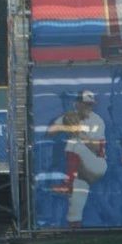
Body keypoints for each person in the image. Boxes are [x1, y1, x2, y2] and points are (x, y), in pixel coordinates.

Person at [48, 90, 107, 228]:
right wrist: (63, 125)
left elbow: (97, 148)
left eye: (91, 105)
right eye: (86, 104)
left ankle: (67, 185)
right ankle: (75, 235)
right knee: (75, 208)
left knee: (75, 142)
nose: (89, 107)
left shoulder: (97, 120)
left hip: (97, 164)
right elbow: (50, 132)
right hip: (80, 173)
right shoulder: (70, 116)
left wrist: (78, 132)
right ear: (77, 104)